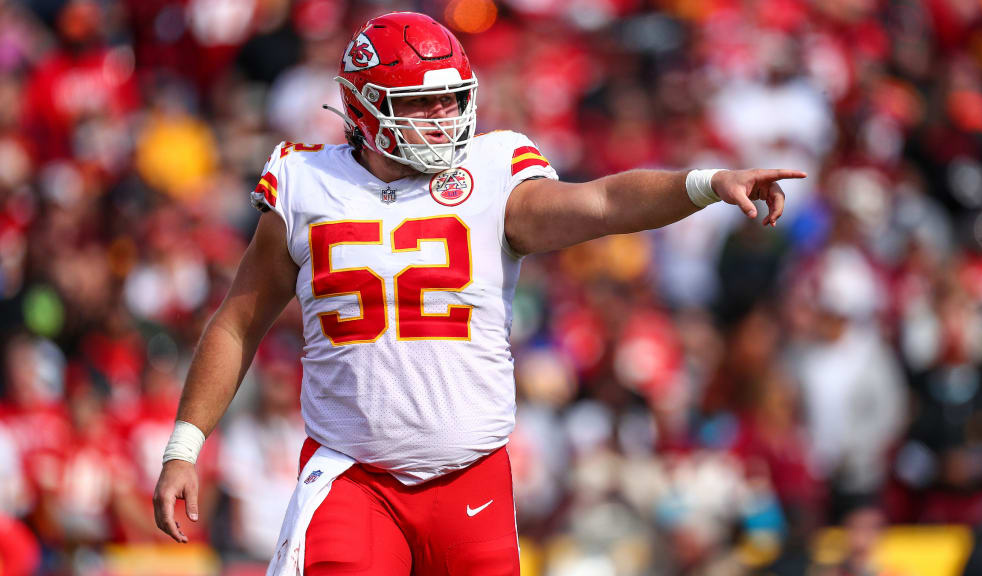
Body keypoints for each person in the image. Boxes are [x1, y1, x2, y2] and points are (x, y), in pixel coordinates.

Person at [152, 11, 804, 575]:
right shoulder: (305, 183)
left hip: (473, 480)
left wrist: (706, 182)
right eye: (419, 103)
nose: (442, 117)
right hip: (354, 479)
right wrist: (185, 446)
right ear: (361, 105)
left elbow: (601, 200)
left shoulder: (493, 173)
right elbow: (238, 322)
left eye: (450, 99)